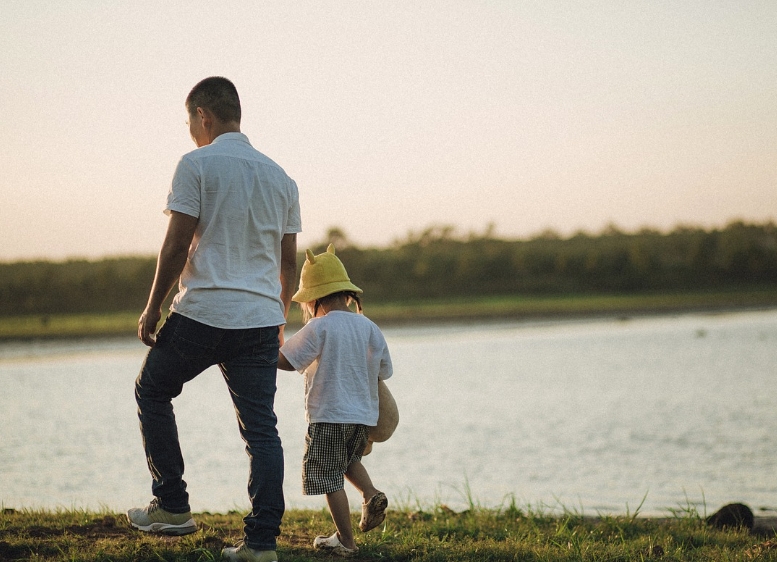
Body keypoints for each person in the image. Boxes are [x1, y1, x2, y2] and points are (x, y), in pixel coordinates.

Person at [127, 76, 300, 562]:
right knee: (262, 428)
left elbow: (177, 244)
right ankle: (262, 542)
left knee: (152, 390)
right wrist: (278, 314)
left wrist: (152, 306)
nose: (190, 132)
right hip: (260, 319)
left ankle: (172, 505)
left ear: (203, 115)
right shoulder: (281, 177)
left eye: (189, 122)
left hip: (203, 313)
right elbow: (289, 262)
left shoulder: (195, 165)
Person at [277, 244, 392, 557]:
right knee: (346, 462)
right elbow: (385, 371)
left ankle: (346, 540)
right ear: (346, 292)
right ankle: (370, 494)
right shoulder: (369, 326)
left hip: (328, 415)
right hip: (362, 416)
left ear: (313, 298)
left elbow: (288, 361)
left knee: (328, 477)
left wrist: (271, 344)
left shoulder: (319, 326)